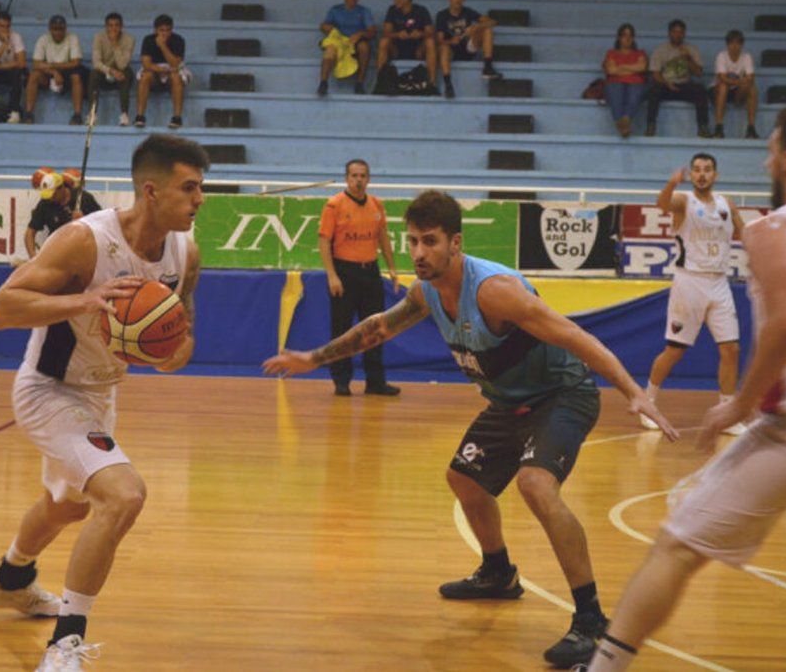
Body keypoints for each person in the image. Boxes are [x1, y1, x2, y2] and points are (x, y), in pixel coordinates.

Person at [264, 190, 678, 668]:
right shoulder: (426, 292)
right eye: (413, 241)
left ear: (455, 243)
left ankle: (590, 620)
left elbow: (575, 335)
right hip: (509, 402)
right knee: (464, 479)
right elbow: (378, 327)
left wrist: (632, 391)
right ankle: (498, 574)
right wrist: (312, 358)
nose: (419, 252)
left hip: (562, 395)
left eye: (430, 242)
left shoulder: (493, 291)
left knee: (536, 485)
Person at [584, 103, 786, 672]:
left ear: (784, 159)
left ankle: (604, 665)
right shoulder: (693, 202)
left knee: (678, 544)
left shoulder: (773, 226)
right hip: (692, 280)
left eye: (769, 147)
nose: (763, 158)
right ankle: (650, 395)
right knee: (679, 348)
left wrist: (741, 404)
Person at [0, 134, 209, 672]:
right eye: (189, 187)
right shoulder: (84, 241)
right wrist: (85, 299)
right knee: (123, 496)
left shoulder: (184, 251)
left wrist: (172, 354)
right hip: (48, 389)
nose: (199, 199)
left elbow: (184, 335)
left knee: (71, 506)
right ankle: (64, 647)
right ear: (151, 191)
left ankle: (10, 579)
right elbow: (2, 309)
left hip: (100, 393)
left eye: (202, 188)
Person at [639, 153, 747, 435]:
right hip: (690, 282)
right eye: (697, 170)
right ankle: (646, 402)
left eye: (707, 170)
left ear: (716, 175)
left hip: (720, 282)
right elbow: (662, 204)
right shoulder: (684, 201)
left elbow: (746, 233)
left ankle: (728, 413)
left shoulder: (727, 204)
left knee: (731, 349)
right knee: (675, 350)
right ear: (692, 175)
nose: (701, 174)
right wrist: (671, 184)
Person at [318, 159, 400, 397]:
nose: (358, 180)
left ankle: (375, 382)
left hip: (370, 272)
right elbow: (324, 241)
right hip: (345, 273)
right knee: (342, 331)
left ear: (369, 179)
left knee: (375, 329)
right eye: (354, 175)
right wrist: (332, 275)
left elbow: (383, 238)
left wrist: (392, 269)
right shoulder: (334, 205)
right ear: (346, 178)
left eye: (363, 175)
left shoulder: (376, 205)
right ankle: (341, 381)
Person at [646, 20, 710, 138]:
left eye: (680, 32)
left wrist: (688, 59)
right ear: (669, 33)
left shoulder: (691, 49)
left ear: (684, 34)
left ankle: (703, 127)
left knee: (700, 90)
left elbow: (699, 73)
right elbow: (655, 74)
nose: (678, 35)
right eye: (675, 32)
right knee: (653, 90)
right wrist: (666, 83)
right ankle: (651, 125)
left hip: (684, 85)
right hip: (666, 85)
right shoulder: (660, 50)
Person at [25, 167, 102, 258]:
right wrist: (33, 256)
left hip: (82, 250)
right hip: (56, 251)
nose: (50, 198)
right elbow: (30, 232)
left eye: (53, 194)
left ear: (61, 188)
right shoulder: (45, 203)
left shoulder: (84, 198)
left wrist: (85, 221)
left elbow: (101, 224)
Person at [26, 14, 87, 126]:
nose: (58, 32)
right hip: (48, 73)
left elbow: (75, 62)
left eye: (61, 29)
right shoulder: (43, 39)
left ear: (65, 29)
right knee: (34, 75)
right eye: (55, 29)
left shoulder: (72, 38)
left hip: (67, 72)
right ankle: (29, 114)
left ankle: (77, 115)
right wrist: (54, 72)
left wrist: (53, 66)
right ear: (50, 29)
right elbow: (36, 64)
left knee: (76, 76)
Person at [435, 0, 501, 99]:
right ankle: (448, 85)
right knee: (443, 48)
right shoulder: (442, 15)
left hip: (467, 47)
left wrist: (477, 27)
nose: (457, 0)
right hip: (451, 51)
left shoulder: (468, 12)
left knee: (487, 30)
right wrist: (451, 41)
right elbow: (439, 40)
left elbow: (493, 22)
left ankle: (488, 67)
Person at [134, 14, 189, 130]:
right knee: (145, 76)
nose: (164, 33)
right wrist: (161, 70)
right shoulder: (148, 40)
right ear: (155, 30)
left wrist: (163, 46)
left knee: (175, 76)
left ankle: (177, 118)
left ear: (171, 30)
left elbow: (175, 64)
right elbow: (146, 64)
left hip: (173, 71)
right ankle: (140, 116)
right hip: (155, 71)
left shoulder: (178, 40)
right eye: (161, 30)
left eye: (167, 30)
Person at [318, 0, 377, 96]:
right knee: (330, 50)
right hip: (339, 41)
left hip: (356, 42)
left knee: (365, 47)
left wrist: (360, 34)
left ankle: (359, 83)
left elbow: (372, 31)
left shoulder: (364, 11)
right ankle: (323, 83)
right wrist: (326, 27)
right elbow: (323, 26)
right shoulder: (335, 10)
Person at [377, 0, 437, 89]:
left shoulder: (421, 10)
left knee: (430, 42)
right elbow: (386, 32)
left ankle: (432, 84)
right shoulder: (392, 10)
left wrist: (420, 34)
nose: (395, 0)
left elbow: (430, 32)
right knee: (384, 41)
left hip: (417, 51)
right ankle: (380, 82)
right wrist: (398, 35)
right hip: (397, 50)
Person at [89, 12, 135, 127]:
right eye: (110, 25)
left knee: (126, 73)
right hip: (105, 73)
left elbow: (123, 64)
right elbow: (96, 62)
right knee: (93, 74)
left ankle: (124, 115)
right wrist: (111, 71)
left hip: (120, 73)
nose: (113, 28)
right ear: (106, 27)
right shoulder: (99, 37)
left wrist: (115, 44)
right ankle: (92, 114)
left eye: (116, 25)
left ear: (121, 26)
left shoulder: (129, 39)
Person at [603, 23, 648, 138]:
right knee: (615, 92)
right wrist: (632, 68)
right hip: (615, 82)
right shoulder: (611, 53)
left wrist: (621, 67)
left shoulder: (640, 53)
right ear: (619, 37)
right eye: (624, 35)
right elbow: (611, 70)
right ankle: (623, 125)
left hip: (636, 83)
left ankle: (624, 122)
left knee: (635, 93)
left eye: (630, 36)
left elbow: (642, 67)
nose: (627, 39)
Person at [712, 29, 759, 139]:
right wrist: (741, 81)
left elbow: (751, 77)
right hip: (717, 91)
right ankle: (719, 126)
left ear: (742, 45)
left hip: (737, 91)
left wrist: (742, 83)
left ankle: (751, 128)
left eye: (738, 43)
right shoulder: (721, 56)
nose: (734, 46)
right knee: (723, 87)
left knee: (752, 88)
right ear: (727, 44)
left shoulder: (746, 57)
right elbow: (722, 78)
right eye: (732, 43)